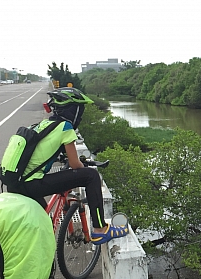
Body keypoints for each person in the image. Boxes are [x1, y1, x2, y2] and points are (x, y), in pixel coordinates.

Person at [12, 87, 124, 245]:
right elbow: (74, 164)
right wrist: (81, 163)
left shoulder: (45, 124)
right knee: (91, 176)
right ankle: (100, 230)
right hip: (33, 184)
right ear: (73, 110)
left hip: (16, 182)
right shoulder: (65, 127)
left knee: (43, 218)